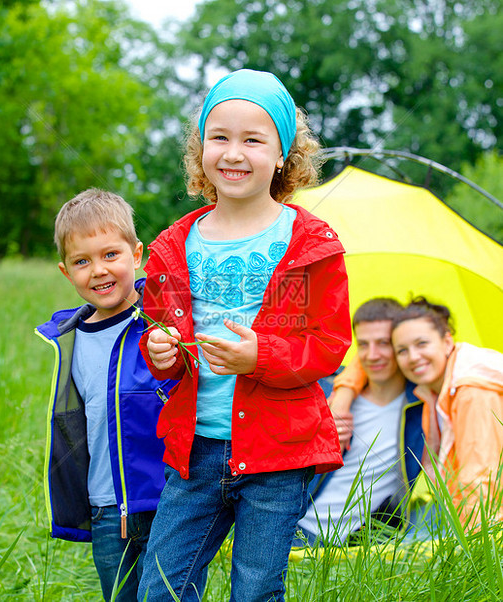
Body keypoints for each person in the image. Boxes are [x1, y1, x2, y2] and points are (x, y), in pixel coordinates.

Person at [136, 69, 352, 601]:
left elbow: (328, 345)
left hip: (280, 450)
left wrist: (262, 356)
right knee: (161, 587)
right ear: (200, 149)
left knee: (255, 589)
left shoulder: (309, 242)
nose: (234, 152)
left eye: (253, 140)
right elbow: (160, 328)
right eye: (220, 137)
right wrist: (160, 351)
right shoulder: (174, 243)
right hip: (197, 447)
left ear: (283, 155)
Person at [35, 189, 178, 601]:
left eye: (110, 255)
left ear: (137, 254)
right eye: (83, 262)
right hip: (104, 508)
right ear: (66, 272)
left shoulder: (164, 320)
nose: (99, 270)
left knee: (169, 594)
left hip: (167, 500)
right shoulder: (70, 339)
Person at [297, 298, 425, 545]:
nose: (372, 355)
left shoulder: (422, 407)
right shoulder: (326, 392)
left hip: (360, 546)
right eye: (363, 344)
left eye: (383, 344)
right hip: (298, 531)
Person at [391, 297, 503, 526]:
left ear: (447, 342)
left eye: (422, 344)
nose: (413, 357)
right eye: (402, 350)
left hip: (484, 522)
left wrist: (472, 548)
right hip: (453, 505)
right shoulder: (433, 391)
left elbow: (480, 476)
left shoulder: (471, 391)